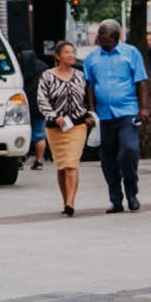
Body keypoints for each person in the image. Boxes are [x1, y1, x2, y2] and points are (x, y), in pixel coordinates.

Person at [82, 21, 147, 213]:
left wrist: (144, 108)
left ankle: (132, 192)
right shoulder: (92, 57)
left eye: (103, 35)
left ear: (115, 36)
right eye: (99, 34)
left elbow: (141, 81)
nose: (99, 38)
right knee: (108, 158)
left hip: (127, 112)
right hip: (104, 116)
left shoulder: (131, 53)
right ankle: (116, 199)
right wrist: (92, 110)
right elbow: (90, 86)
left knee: (128, 151)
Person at [36, 40, 96, 216]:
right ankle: (65, 201)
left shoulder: (80, 76)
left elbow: (88, 98)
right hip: (55, 128)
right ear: (58, 56)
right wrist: (55, 117)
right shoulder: (47, 76)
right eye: (67, 52)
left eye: (73, 52)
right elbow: (41, 100)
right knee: (62, 166)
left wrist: (90, 115)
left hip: (77, 126)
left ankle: (71, 202)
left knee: (71, 164)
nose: (71, 55)